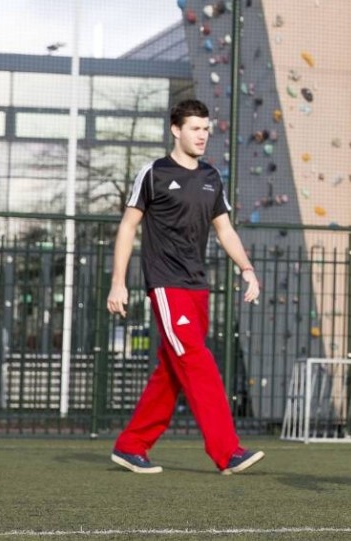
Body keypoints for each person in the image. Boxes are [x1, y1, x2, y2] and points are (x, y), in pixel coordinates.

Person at [104, 99, 264, 476]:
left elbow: (224, 230)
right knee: (197, 360)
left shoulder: (211, 176)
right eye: (195, 128)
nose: (202, 135)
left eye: (206, 129)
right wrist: (118, 283)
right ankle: (227, 451)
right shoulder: (154, 173)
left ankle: (131, 446)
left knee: (172, 371)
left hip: (197, 286)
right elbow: (128, 226)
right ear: (175, 129)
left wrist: (247, 269)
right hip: (166, 284)